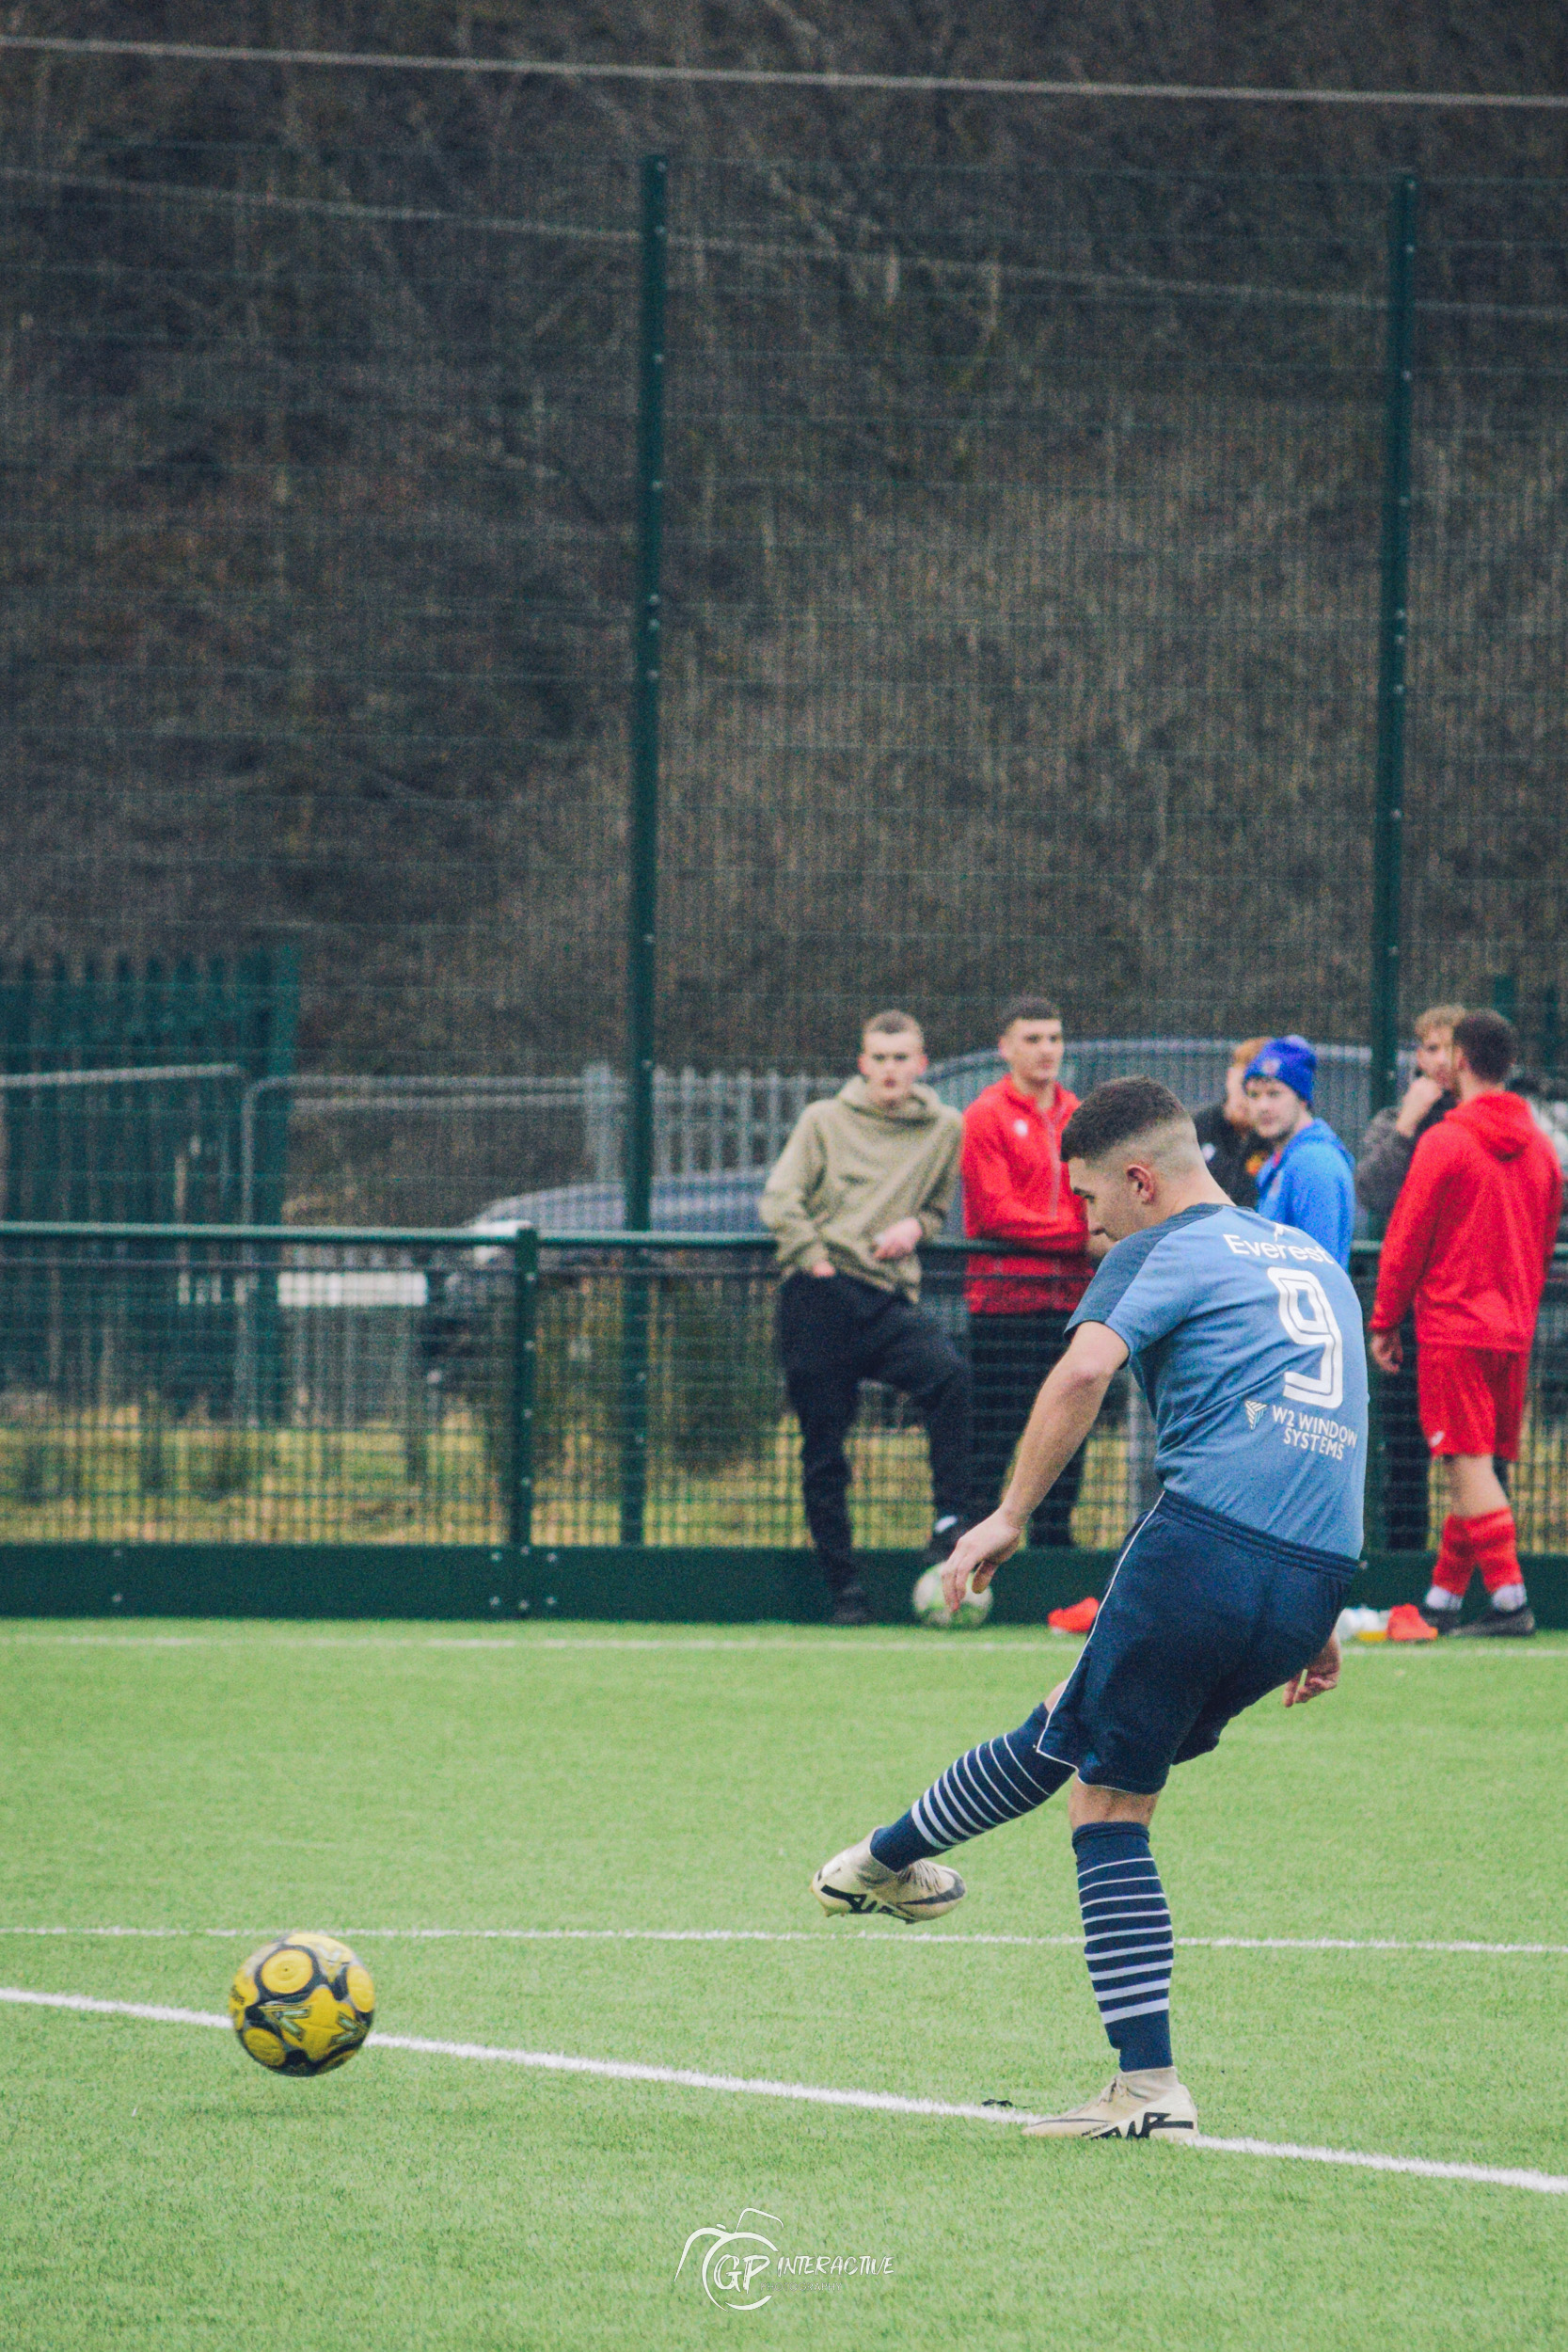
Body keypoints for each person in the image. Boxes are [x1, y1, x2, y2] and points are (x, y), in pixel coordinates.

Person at [813, 1077, 1365, 2139]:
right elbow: (1324, 1421)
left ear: (1139, 1178)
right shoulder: (1306, 1259)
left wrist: (1007, 1513)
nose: (1088, 1219)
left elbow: (1081, 1369)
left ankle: (1147, 2084)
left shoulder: (1155, 1249)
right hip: (1309, 1568)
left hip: (1202, 1548)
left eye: (1089, 1196)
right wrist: (1321, 1611)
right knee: (1074, 1735)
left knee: (1102, 1802)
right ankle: (878, 1860)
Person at [761, 1009, 969, 1627]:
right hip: (819, 1297)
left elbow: (934, 1210)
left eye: (901, 1058)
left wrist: (916, 1227)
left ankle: (950, 1522)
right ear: (862, 1063)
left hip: (884, 1299)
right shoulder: (823, 1119)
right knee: (824, 1449)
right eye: (878, 1058)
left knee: (950, 1377)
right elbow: (779, 1198)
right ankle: (844, 1591)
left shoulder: (943, 1127)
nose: (889, 1070)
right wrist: (816, 1263)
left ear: (921, 1064)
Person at [1369, 1010, 1562, 1637]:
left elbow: (1405, 1237)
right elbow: (1539, 1244)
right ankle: (1443, 1601)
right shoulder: (1541, 1149)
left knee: (1463, 1462)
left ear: (1458, 1059)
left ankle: (1509, 1601)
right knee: (1472, 1465)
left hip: (1453, 1324)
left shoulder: (1445, 1140)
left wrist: (1384, 1317)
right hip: (1512, 1328)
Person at [962, 996, 1094, 1549]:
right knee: (996, 1435)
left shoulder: (1079, 1114)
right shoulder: (985, 1114)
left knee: (1069, 1437)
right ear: (1006, 1048)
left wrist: (1080, 1236)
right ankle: (966, 1550)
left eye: (1055, 1038)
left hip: (1072, 1303)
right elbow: (996, 1213)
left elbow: (1095, 1201)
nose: (1046, 1050)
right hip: (1006, 1304)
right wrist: (1079, 1241)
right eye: (1033, 1038)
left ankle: (1054, 1557)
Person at [1354, 1004, 1465, 1550]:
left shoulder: (1482, 1119)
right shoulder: (1392, 1120)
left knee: (1475, 1452)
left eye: (1448, 1048)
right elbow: (1371, 1191)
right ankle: (1404, 1568)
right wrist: (1405, 1126)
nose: (1438, 1061)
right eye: (1428, 1048)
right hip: (1407, 1308)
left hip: (1465, 1303)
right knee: (1403, 1451)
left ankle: (1478, 1576)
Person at [1245, 1035, 1356, 1266]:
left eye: (1274, 1093)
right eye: (1254, 1095)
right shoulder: (1281, 1160)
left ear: (1303, 1099)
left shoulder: (1315, 1163)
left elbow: (1320, 1266)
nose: (1262, 1106)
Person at [1194, 1038, 1271, 1208]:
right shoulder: (1197, 1129)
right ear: (1229, 1077)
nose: (1245, 1099)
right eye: (1242, 1086)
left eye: (1255, 1092)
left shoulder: (1274, 1143)